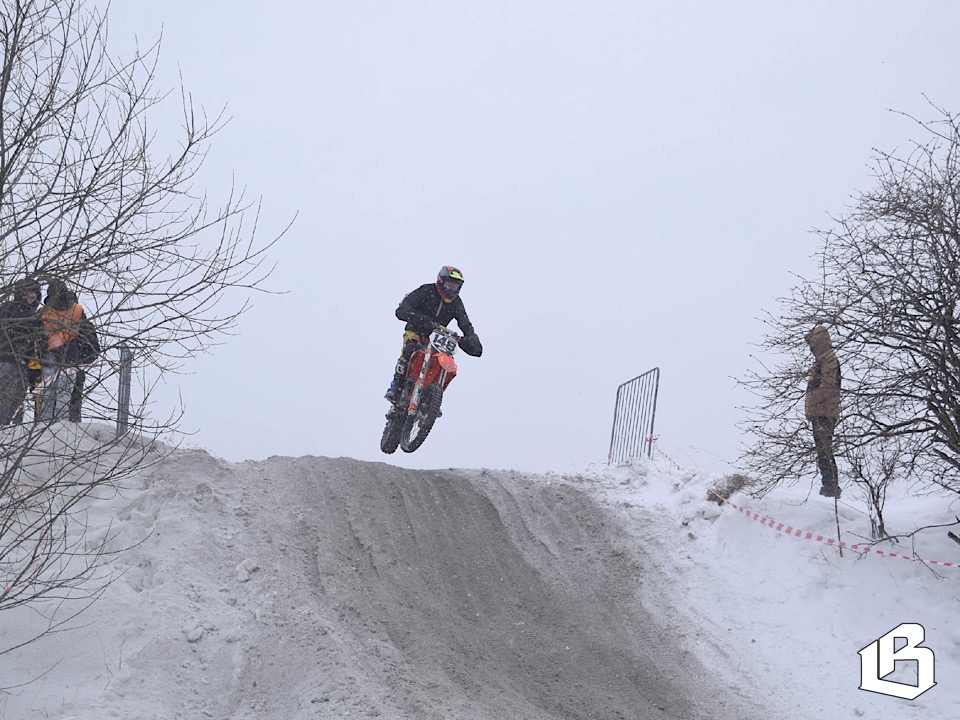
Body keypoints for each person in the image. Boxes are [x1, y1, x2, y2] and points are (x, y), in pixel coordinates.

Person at [385, 265, 483, 402]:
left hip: (438, 338)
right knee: (410, 347)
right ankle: (396, 385)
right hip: (416, 331)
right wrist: (422, 320)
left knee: (446, 358)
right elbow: (402, 309)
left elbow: (465, 323)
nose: (451, 289)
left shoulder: (456, 303)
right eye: (449, 285)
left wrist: (472, 338)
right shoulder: (426, 290)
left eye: (455, 287)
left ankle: (431, 399)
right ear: (441, 281)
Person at [38, 280, 100, 423]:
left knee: (47, 401)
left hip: (48, 361)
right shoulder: (77, 312)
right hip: (71, 362)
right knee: (67, 403)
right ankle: (63, 430)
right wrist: (80, 359)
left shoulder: (43, 312)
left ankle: (44, 431)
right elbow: (93, 347)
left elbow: (37, 340)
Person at [0, 278, 43, 426]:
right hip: (6, 360)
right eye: (29, 292)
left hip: (24, 365)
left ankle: (5, 429)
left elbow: (37, 343)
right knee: (6, 400)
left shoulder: (35, 315)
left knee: (16, 401)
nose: (32, 296)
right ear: (20, 293)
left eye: (35, 293)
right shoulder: (8, 309)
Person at [805, 324, 841, 498]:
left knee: (824, 450)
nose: (811, 346)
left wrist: (812, 401)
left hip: (824, 412)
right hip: (820, 411)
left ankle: (831, 487)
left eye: (813, 342)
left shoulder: (828, 359)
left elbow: (827, 386)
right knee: (822, 451)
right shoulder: (820, 360)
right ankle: (829, 486)